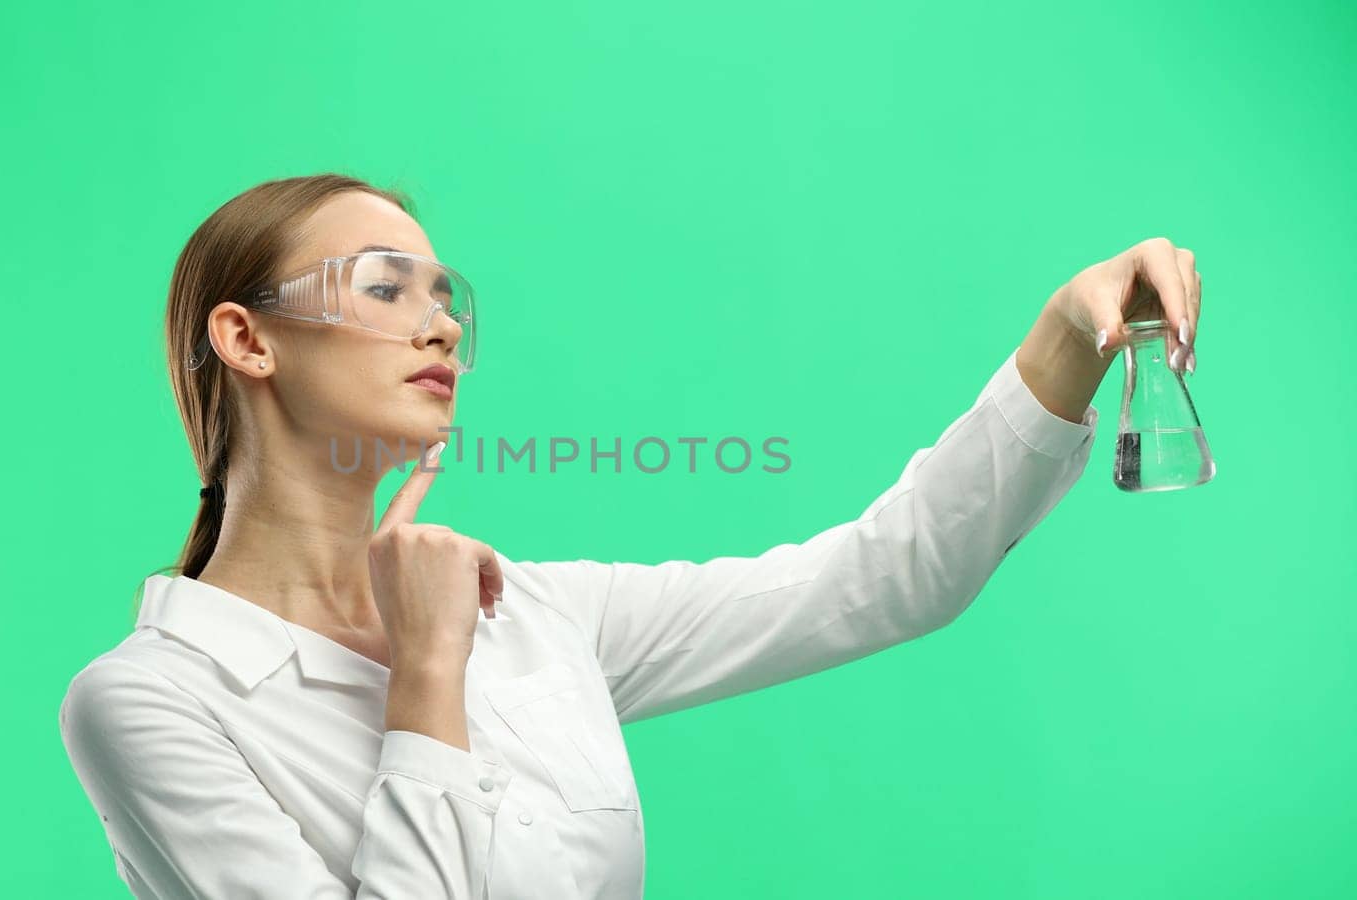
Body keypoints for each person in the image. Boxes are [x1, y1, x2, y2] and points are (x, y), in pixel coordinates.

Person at [58, 173, 1202, 899]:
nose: (444, 321)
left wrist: (1067, 337)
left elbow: (881, 576)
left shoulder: (537, 614)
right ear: (247, 342)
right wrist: (429, 673)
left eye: (447, 294)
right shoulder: (151, 701)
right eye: (387, 288)